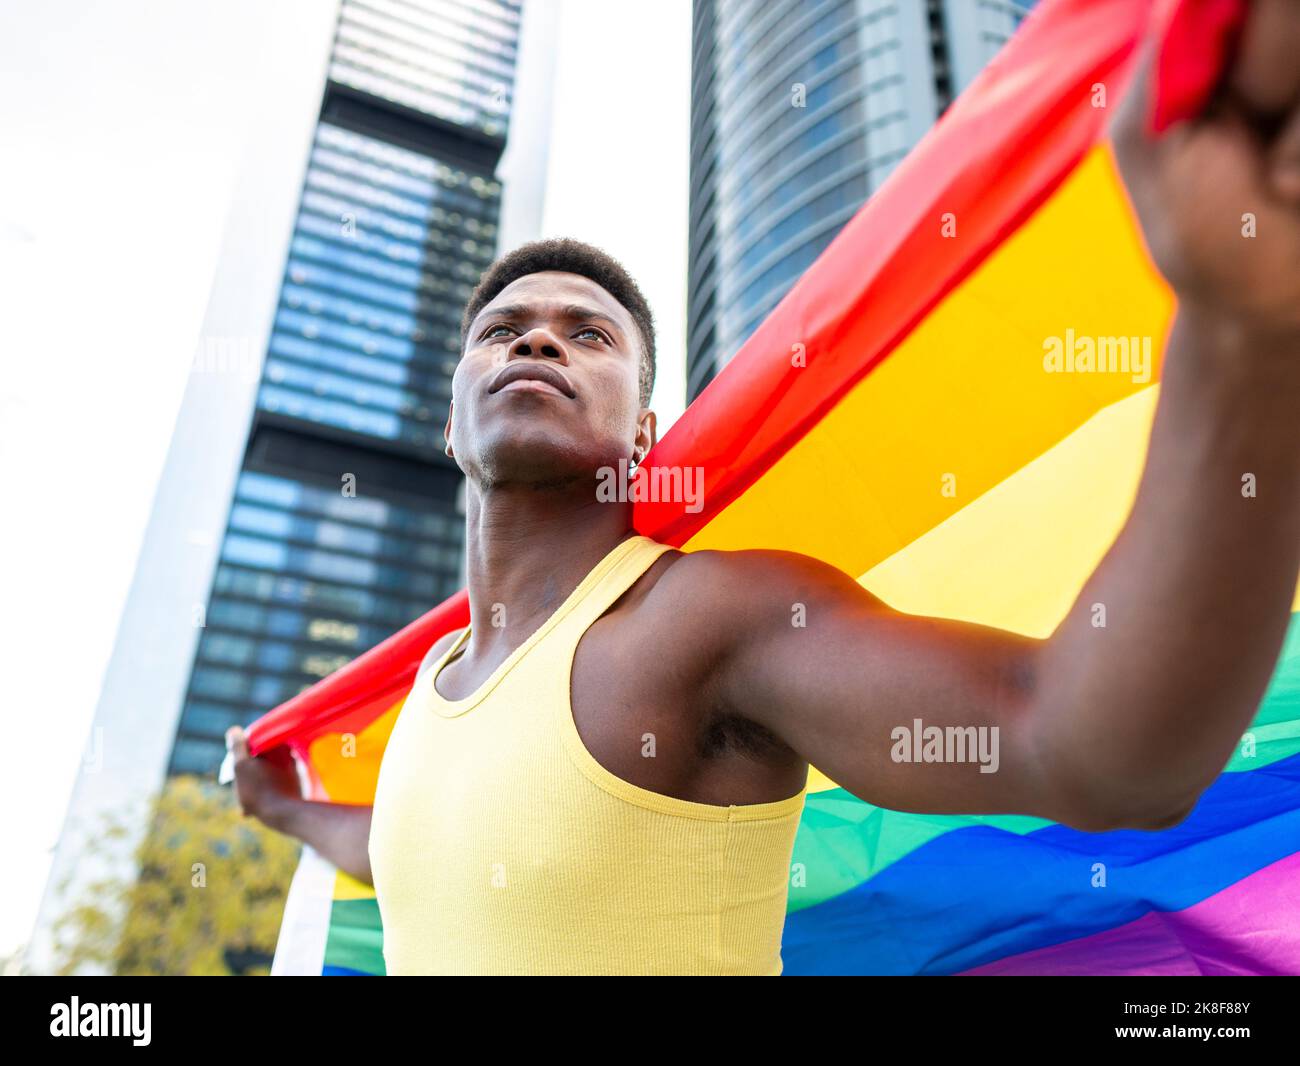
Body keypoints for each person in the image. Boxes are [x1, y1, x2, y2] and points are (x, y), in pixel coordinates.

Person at [227, 9, 1300, 975]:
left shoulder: (707, 620)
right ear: (448, 425)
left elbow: (1082, 746)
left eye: (586, 334)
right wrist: (284, 806)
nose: (540, 335)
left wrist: (1241, 331)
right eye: (504, 331)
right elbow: (408, 844)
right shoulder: (430, 688)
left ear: (644, 435)